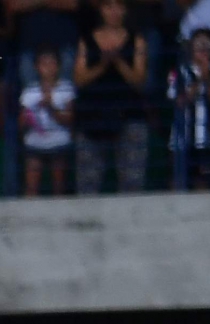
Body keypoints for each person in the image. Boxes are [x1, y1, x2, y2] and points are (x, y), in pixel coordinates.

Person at [73, 0, 149, 194]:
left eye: (118, 6)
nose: (114, 12)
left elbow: (139, 80)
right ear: (101, 10)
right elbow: (79, 79)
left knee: (132, 179)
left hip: (129, 112)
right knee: (88, 181)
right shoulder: (87, 40)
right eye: (108, 6)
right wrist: (102, 65)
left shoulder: (137, 40)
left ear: (125, 9)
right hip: (92, 113)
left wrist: (119, 62)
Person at [168, 27, 210, 187]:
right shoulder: (179, 73)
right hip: (182, 139)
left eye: (207, 47)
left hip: (207, 138)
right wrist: (198, 81)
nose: (203, 52)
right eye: (199, 47)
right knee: (178, 180)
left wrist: (207, 79)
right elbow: (179, 101)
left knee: (204, 182)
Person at [17, 41, 73, 193]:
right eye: (44, 63)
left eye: (52, 63)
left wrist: (51, 107)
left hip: (59, 143)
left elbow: (69, 119)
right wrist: (26, 118)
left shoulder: (67, 89)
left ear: (59, 66)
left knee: (59, 187)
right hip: (34, 144)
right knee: (31, 188)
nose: (48, 67)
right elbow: (21, 125)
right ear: (36, 67)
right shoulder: (30, 91)